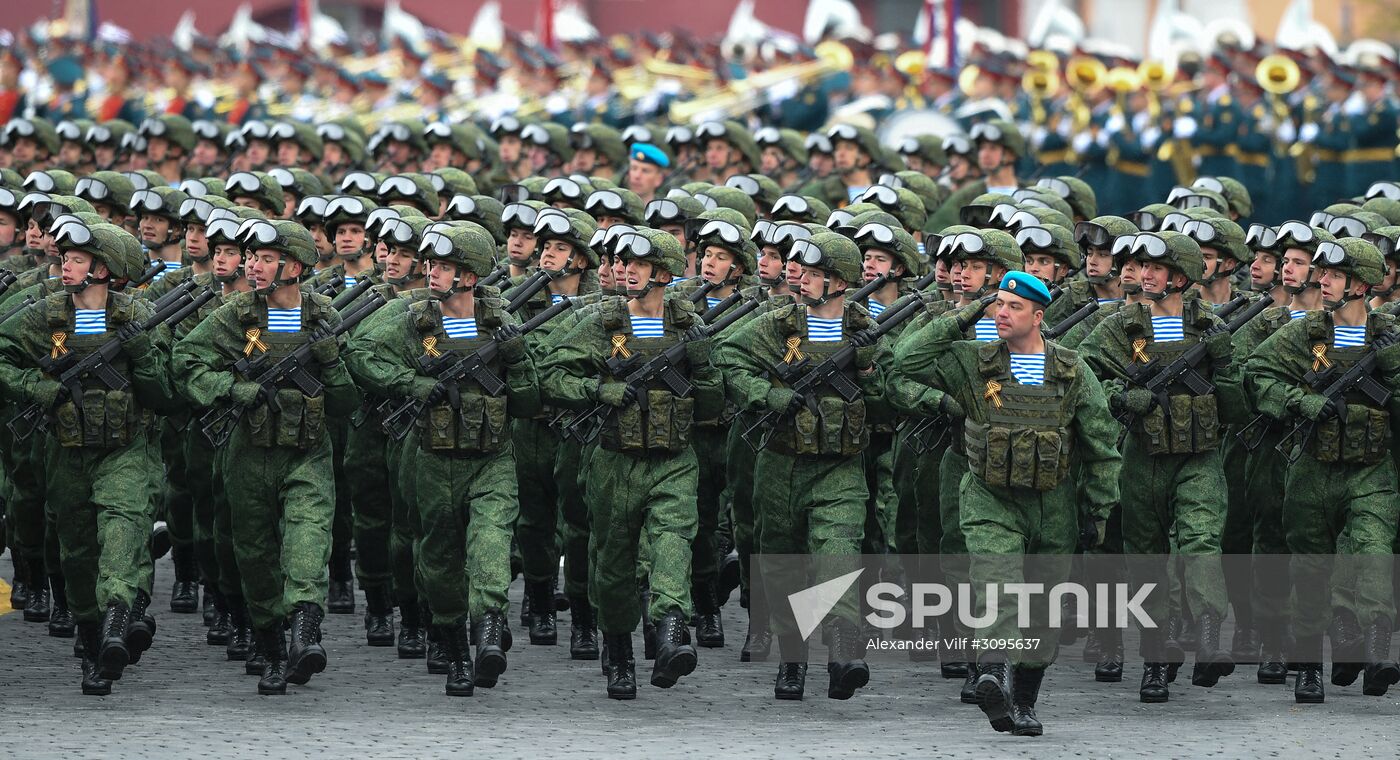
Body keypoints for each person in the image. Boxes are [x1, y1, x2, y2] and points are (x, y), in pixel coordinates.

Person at [896, 270, 1121, 735]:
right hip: (990, 498)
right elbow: (905, 361)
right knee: (996, 583)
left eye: (1014, 307)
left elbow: (1101, 446)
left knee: (1041, 609)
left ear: (1039, 317)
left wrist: (1097, 510)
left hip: (1052, 504)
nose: (1002, 312)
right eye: (998, 304)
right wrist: (962, 315)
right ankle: (993, 671)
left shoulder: (1073, 371)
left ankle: (1022, 703)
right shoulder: (972, 362)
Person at [172, 220, 359, 695]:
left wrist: (333, 362)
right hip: (248, 452)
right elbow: (187, 360)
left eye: (263, 258)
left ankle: (305, 628)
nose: (251, 265)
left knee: (308, 541)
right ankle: (271, 646)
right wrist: (235, 389)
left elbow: (346, 403)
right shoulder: (236, 314)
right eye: (250, 257)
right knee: (254, 554)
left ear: (292, 267)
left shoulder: (323, 316)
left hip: (307, 451)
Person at [353, 224, 536, 696]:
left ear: (470, 276)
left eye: (445, 267)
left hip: (491, 458)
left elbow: (530, 401)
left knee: (492, 543)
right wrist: (411, 384)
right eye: (431, 265)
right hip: (432, 457)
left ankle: (490, 630)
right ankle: (454, 649)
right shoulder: (412, 317)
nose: (432, 273)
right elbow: (361, 353)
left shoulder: (500, 321)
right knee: (439, 558)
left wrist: (517, 359)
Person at [541, 227, 717, 699]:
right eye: (621, 263)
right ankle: (618, 650)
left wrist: (705, 366)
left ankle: (671, 629)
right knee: (614, 565)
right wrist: (598, 390)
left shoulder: (690, 326)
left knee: (672, 543)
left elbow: (716, 402)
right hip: (614, 461)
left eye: (636, 264)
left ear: (663, 273)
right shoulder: (601, 321)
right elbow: (552, 374)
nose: (624, 270)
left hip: (674, 459)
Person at [717, 231, 890, 701]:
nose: (804, 279)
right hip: (780, 464)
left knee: (838, 552)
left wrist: (872, 373)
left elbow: (888, 400)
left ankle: (844, 649)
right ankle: (793, 658)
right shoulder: (777, 324)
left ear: (841, 282)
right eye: (805, 272)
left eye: (816, 274)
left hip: (840, 467)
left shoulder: (866, 332)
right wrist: (768, 394)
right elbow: (727, 357)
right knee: (783, 566)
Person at [0, 221, 169, 695]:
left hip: (125, 451)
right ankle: (92, 637)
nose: (64, 265)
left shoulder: (139, 316)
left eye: (76, 259)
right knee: (77, 554)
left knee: (122, 532)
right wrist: (39, 387)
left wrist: (143, 355)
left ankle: (116, 624)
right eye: (65, 258)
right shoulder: (46, 314)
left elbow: (167, 393)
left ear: (104, 269)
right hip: (67, 452)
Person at [1078, 230, 1242, 702]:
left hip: (1199, 455)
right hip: (1143, 456)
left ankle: (1209, 636)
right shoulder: (1119, 326)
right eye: (1141, 267)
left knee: (1201, 542)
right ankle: (1156, 656)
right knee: (1146, 558)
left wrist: (1226, 363)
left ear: (1180, 276)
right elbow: (1086, 378)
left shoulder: (1210, 327)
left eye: (1154, 268)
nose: (1144, 275)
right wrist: (1120, 397)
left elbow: (1235, 407)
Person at [1246, 237, 1400, 703]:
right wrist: (1300, 402)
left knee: (1373, 554)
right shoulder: (1307, 332)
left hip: (1371, 470)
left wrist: (1393, 367)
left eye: (1333, 275)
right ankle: (1310, 662)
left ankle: (1378, 649)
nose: (1322, 281)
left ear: (1360, 284)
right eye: (1323, 274)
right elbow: (1257, 372)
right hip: (1312, 466)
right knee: (1311, 569)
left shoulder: (1388, 336)